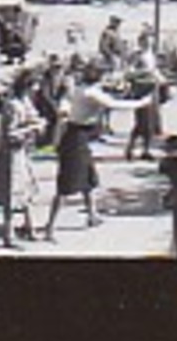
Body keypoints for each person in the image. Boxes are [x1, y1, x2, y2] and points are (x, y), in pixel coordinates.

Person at [43, 65, 155, 241]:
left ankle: (91, 216)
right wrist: (142, 102)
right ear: (97, 78)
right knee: (66, 185)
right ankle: (49, 228)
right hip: (76, 139)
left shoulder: (81, 89)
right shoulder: (91, 93)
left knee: (88, 180)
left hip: (76, 137)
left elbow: (108, 94)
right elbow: (114, 104)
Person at [0, 77, 42, 248]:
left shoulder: (25, 101)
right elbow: (10, 133)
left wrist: (37, 123)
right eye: (34, 86)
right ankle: (8, 234)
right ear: (26, 86)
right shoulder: (12, 105)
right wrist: (32, 128)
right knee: (11, 191)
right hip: (10, 153)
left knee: (26, 188)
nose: (37, 89)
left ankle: (30, 227)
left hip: (22, 151)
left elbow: (33, 117)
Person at [125, 38, 166, 160]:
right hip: (141, 91)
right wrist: (143, 72)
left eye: (150, 42)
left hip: (152, 90)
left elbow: (154, 71)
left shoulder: (151, 55)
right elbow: (129, 73)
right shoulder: (137, 57)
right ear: (141, 43)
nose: (148, 44)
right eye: (146, 42)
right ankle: (130, 149)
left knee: (150, 123)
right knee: (141, 123)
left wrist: (162, 79)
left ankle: (146, 150)